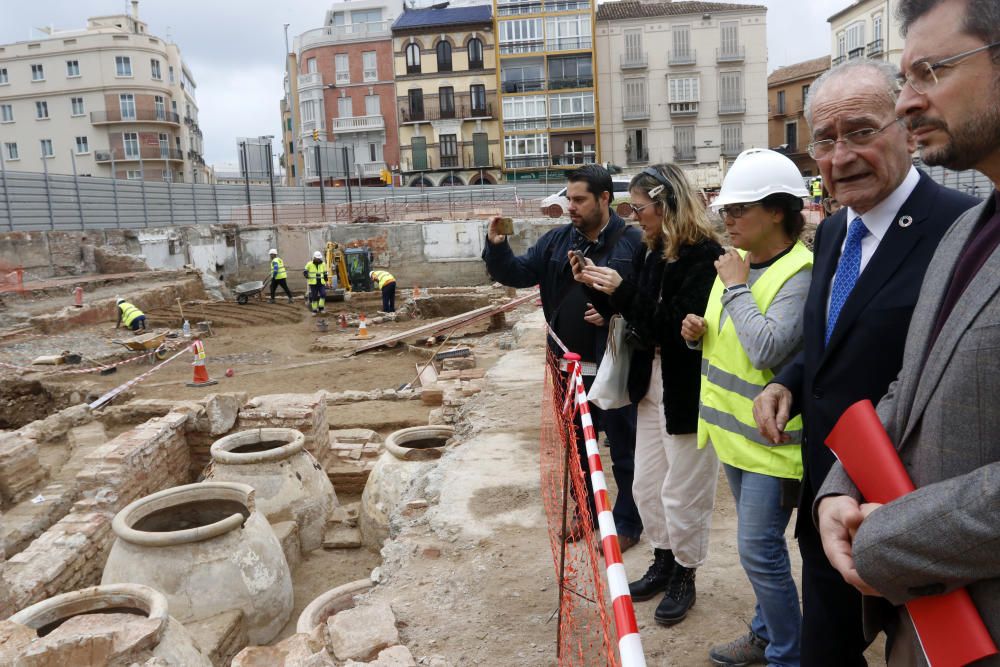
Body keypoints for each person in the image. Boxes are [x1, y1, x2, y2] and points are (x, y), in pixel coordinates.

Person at [751, 58, 978, 665]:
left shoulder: (962, 230)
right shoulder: (832, 233)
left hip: (916, 515)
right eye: (824, 140)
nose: (839, 156)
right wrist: (789, 383)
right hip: (829, 501)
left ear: (905, 127)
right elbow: (833, 340)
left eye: (860, 131)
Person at [816, 0, 1000, 662]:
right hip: (921, 625)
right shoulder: (968, 233)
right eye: (906, 78)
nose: (910, 102)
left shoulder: (946, 221)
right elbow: (911, 382)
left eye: (930, 71)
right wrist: (840, 484)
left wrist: (886, 535)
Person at [572, 164, 724, 626]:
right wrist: (599, 290)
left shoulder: (705, 257)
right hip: (650, 381)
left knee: (685, 491)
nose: (633, 216)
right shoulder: (651, 250)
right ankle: (663, 559)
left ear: (665, 203)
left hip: (686, 386)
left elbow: (676, 329)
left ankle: (685, 572)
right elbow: (635, 316)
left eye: (638, 208)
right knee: (646, 485)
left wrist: (623, 292)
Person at [681, 149, 812, 666]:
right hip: (734, 437)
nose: (728, 219)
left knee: (761, 552)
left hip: (773, 446)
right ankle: (765, 636)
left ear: (777, 211)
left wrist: (735, 286)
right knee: (761, 553)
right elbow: (730, 339)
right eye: (726, 211)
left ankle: (787, 654)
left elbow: (768, 349)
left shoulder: (798, 273)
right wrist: (697, 335)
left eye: (739, 210)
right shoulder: (738, 263)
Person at [483, 164, 645, 551]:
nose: (570, 206)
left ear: (605, 198)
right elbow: (519, 273)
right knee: (576, 446)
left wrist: (614, 313)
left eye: (579, 199)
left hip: (614, 366)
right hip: (568, 367)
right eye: (568, 198)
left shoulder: (632, 244)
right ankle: (586, 511)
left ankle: (626, 523)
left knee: (624, 449)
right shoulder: (555, 243)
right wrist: (497, 247)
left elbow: (647, 299)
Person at [303, 251, 329, 316]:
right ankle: (314, 310)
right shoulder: (309, 264)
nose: (319, 259)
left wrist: (326, 277)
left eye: (319, 258)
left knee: (323, 294)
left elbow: (325, 272)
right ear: (314, 258)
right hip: (313, 283)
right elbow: (305, 270)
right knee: (314, 296)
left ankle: (321, 308)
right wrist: (306, 274)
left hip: (321, 282)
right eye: (317, 258)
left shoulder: (323, 264)